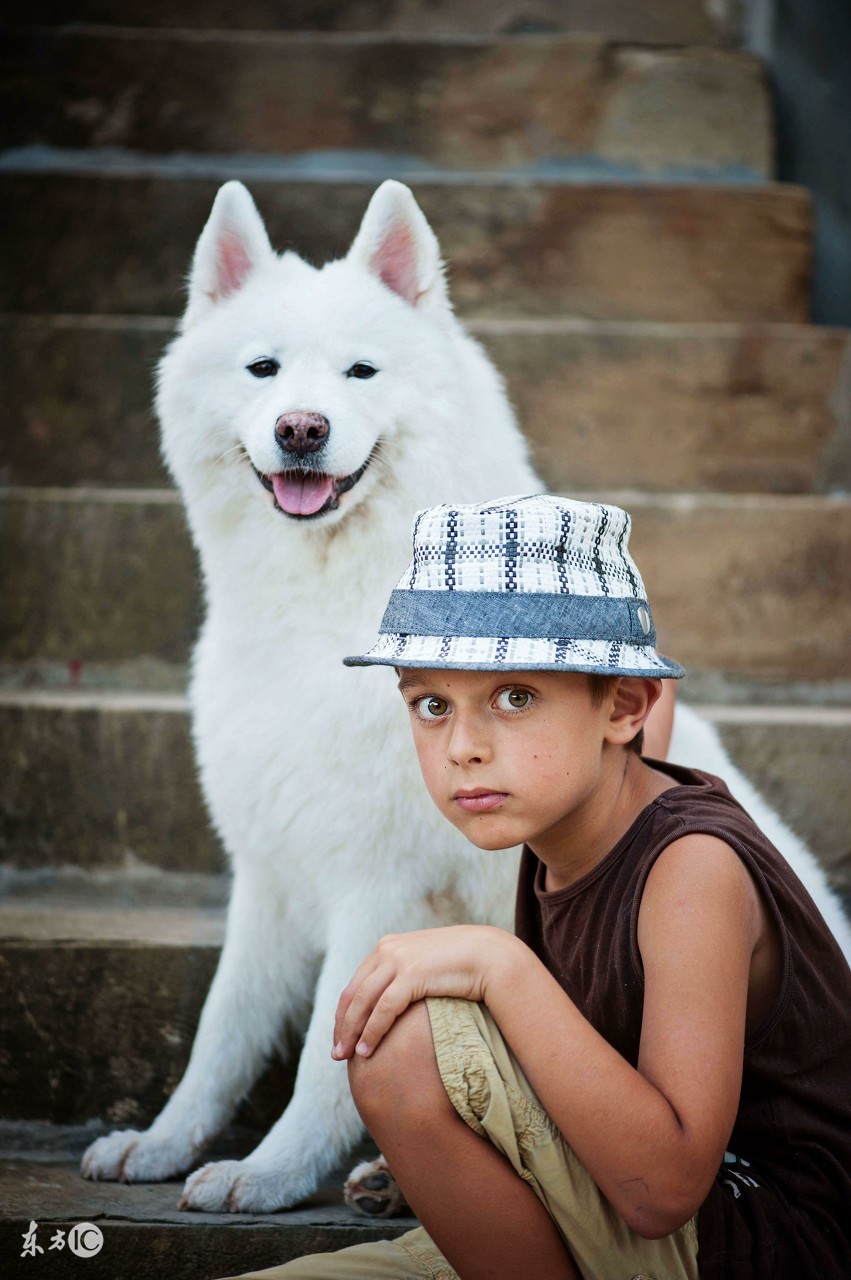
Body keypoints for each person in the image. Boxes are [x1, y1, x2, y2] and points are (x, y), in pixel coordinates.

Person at [220, 494, 851, 1280]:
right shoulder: (572, 796)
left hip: (748, 1240)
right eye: (429, 704)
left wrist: (500, 965)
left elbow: (663, 1193)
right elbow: (629, 718)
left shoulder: (693, 869)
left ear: (621, 708)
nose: (463, 748)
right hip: (586, 1214)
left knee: (407, 1043)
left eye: (513, 697)